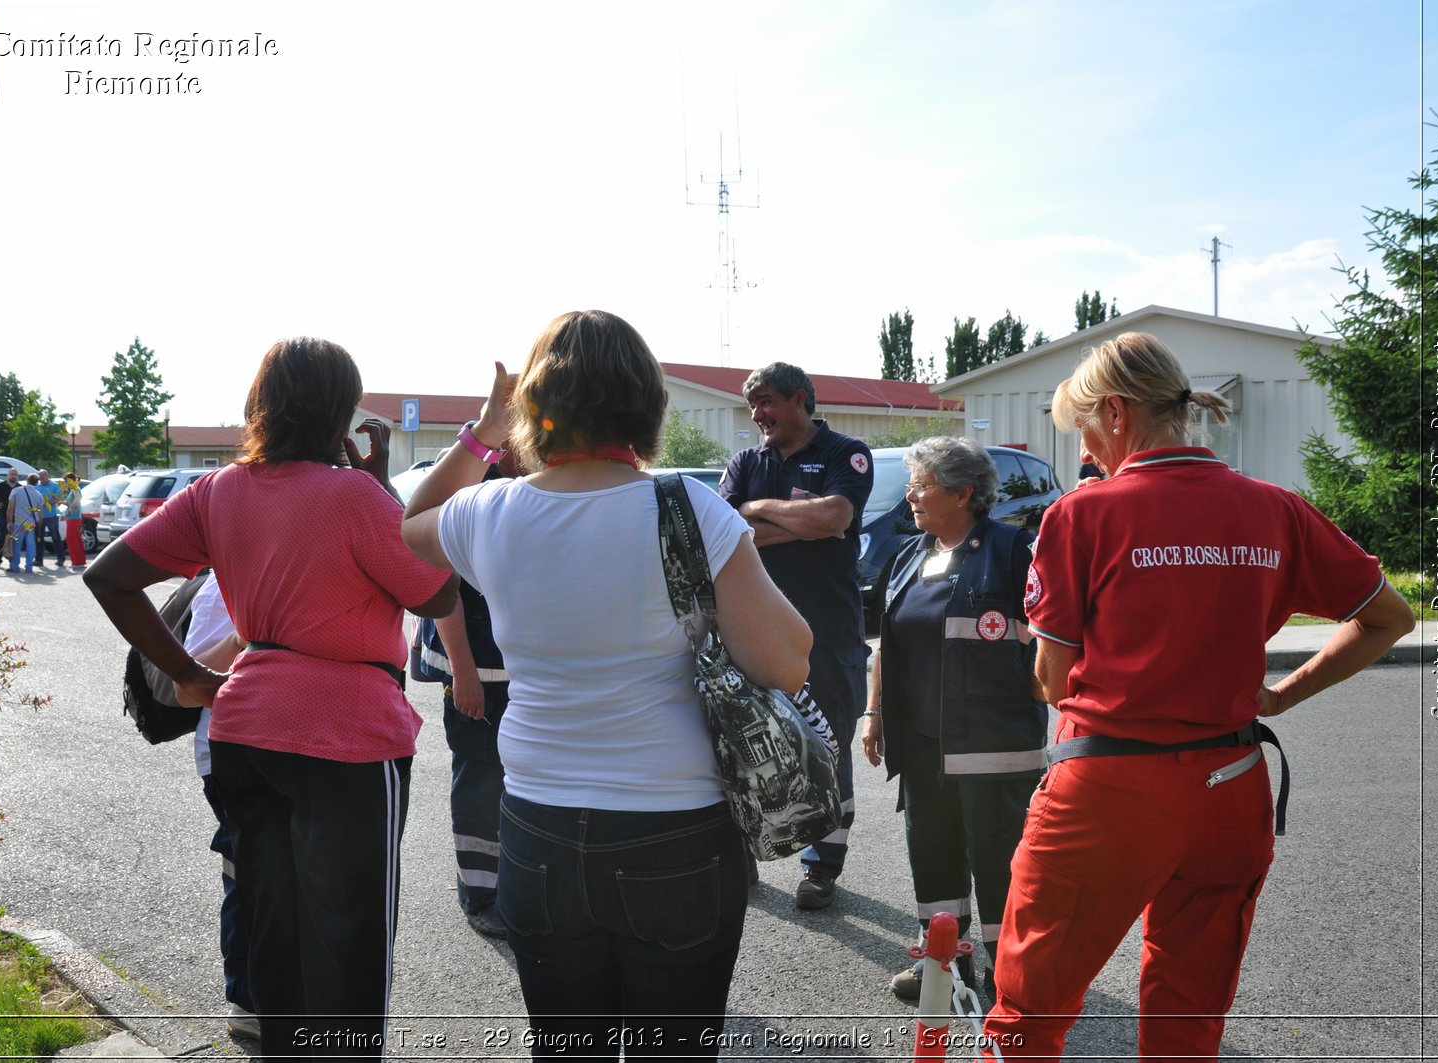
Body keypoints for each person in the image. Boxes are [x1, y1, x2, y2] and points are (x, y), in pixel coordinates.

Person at [977, 332, 1415, 1060]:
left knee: (1029, 1012)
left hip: (1108, 790)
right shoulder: (1274, 507)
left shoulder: (1082, 515)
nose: (1086, 453)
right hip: (1232, 785)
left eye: (1085, 431)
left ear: (1115, 413)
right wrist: (1282, 695)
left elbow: (1052, 681)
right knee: (1188, 1023)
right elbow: (1389, 617)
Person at [402, 310, 811, 1059]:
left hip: (535, 827)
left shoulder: (491, 510)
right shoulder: (686, 508)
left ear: (537, 407)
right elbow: (788, 661)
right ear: (643, 405)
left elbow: (412, 520)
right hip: (674, 832)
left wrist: (482, 436)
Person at [85, 336, 457, 1059]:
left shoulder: (219, 490)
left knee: (273, 931)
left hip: (244, 731)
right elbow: (437, 591)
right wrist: (379, 488)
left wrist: (188, 672)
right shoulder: (354, 496)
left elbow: (110, 575)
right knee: (349, 939)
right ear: (338, 414)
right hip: (349, 737)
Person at [859, 438, 1047, 1002]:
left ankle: (1008, 974)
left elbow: (1051, 643)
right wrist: (874, 713)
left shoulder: (1016, 553)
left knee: (998, 866)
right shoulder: (909, 554)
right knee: (932, 857)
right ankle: (944, 964)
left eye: (921, 485)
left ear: (963, 493)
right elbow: (888, 646)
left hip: (993, 747)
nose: (910, 496)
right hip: (922, 747)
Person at [719, 361, 873, 909]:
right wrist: (793, 520)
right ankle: (741, 856)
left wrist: (758, 510)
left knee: (826, 747)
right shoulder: (744, 461)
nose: (759, 415)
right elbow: (726, 528)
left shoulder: (844, 453)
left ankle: (821, 868)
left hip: (826, 635)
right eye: (753, 405)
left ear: (801, 399)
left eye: (768, 402)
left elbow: (833, 518)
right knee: (740, 745)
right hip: (751, 632)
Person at [412, 456, 522, 941]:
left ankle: (513, 890)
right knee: (480, 782)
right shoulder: (473, 482)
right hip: (476, 667)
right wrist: (463, 672)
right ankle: (480, 897)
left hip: (517, 668)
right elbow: (445, 589)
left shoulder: (527, 480)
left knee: (518, 786)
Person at [171, 571, 260, 1041]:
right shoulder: (222, 584)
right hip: (231, 754)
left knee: (282, 876)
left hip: (288, 751)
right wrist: (246, 637)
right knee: (246, 874)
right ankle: (247, 1000)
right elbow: (189, 686)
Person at [6, 474, 46, 574]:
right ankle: (29, 567)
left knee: (17, 545)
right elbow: (40, 514)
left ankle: (15, 566)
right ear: (37, 482)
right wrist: (39, 525)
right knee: (31, 545)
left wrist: (9, 522)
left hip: (19, 522)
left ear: (27, 480)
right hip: (32, 524)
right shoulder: (39, 495)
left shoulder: (16, 491)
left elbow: (10, 508)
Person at [34, 470, 65, 569]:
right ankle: (39, 560)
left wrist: (52, 501)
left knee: (55, 537)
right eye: (40, 477)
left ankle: (61, 559)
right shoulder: (37, 486)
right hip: (40, 516)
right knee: (39, 538)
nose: (41, 479)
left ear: (48, 476)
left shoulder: (54, 486)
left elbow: (60, 498)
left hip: (51, 515)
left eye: (43, 477)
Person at [61, 472, 87, 569]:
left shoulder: (74, 488)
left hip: (73, 517)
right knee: (76, 539)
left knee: (71, 539)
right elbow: (75, 499)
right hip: (75, 517)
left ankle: (76, 562)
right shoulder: (75, 488)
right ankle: (80, 561)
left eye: (66, 481)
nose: (65, 483)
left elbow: (78, 498)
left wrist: (72, 506)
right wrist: (62, 502)